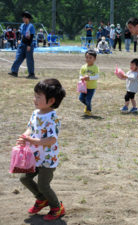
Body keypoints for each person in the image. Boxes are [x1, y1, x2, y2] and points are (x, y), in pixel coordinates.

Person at [17, 78, 66, 221]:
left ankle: (57, 207)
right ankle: (41, 199)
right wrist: (24, 136)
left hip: (48, 159)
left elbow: (51, 140)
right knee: (24, 178)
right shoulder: (36, 113)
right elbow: (30, 128)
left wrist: (31, 140)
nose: (35, 99)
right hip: (35, 156)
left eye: (39, 97)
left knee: (43, 185)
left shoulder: (52, 118)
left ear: (51, 101)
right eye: (35, 95)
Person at [8, 11, 36, 79]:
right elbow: (18, 33)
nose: (23, 18)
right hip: (22, 44)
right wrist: (18, 39)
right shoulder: (22, 25)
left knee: (29, 60)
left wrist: (29, 45)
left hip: (28, 45)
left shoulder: (31, 26)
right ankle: (14, 72)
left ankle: (31, 74)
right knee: (18, 57)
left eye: (24, 17)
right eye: (23, 17)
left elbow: (31, 36)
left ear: (28, 18)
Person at [79, 50, 99, 116]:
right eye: (87, 57)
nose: (88, 59)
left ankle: (88, 110)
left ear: (94, 59)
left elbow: (97, 76)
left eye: (90, 58)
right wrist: (81, 78)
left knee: (88, 99)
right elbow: (80, 75)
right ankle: (87, 105)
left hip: (91, 87)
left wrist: (89, 78)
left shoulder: (95, 67)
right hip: (84, 87)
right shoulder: (83, 67)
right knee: (81, 98)